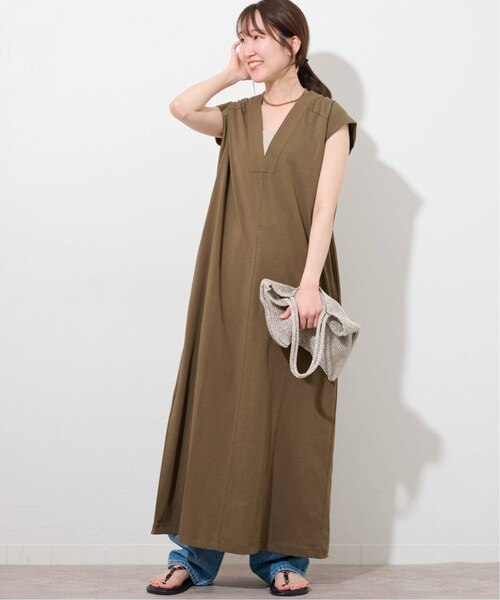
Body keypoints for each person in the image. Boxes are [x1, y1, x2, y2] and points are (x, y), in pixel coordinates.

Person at [147, 0, 357, 596]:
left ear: (294, 44)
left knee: (289, 418)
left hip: (297, 284)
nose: (248, 47)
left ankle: (283, 560)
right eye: (242, 37)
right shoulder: (236, 116)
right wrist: (231, 73)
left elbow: (325, 207)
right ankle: (193, 556)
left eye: (260, 37)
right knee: (214, 411)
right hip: (227, 279)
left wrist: (311, 283)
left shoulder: (328, 118)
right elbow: (181, 108)